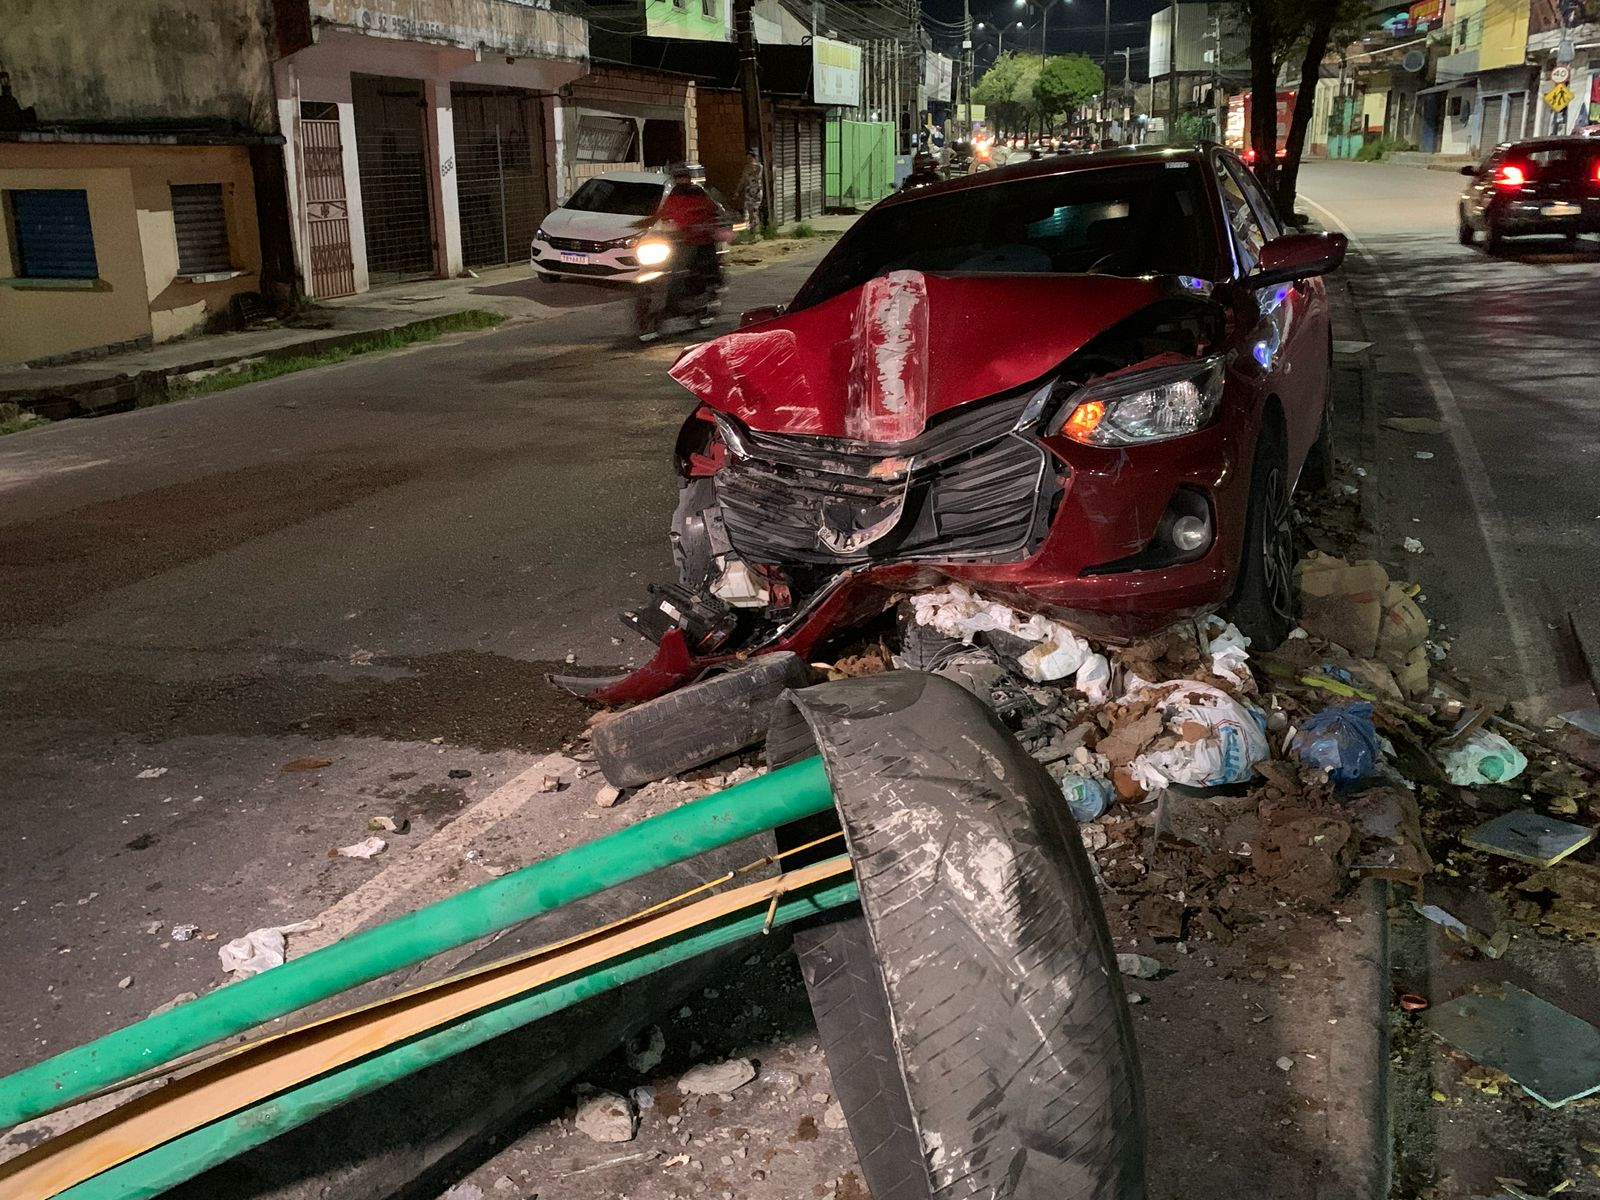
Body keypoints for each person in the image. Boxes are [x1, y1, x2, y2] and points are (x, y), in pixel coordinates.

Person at [654, 164, 725, 303]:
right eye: (678, 178)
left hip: (700, 238)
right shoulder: (674, 194)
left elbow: (712, 209)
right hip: (681, 238)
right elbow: (665, 212)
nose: (681, 180)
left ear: (688, 178)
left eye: (683, 177)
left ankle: (710, 287)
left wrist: (705, 225)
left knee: (705, 263)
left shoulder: (698, 192)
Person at [737, 148, 764, 230]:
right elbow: (743, 180)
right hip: (749, 191)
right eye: (747, 158)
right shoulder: (746, 168)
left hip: (756, 191)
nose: (748, 160)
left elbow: (757, 176)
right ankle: (747, 229)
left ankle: (755, 229)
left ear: (754, 158)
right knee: (747, 210)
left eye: (750, 158)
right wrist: (738, 190)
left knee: (754, 210)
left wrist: (752, 168)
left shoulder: (759, 167)